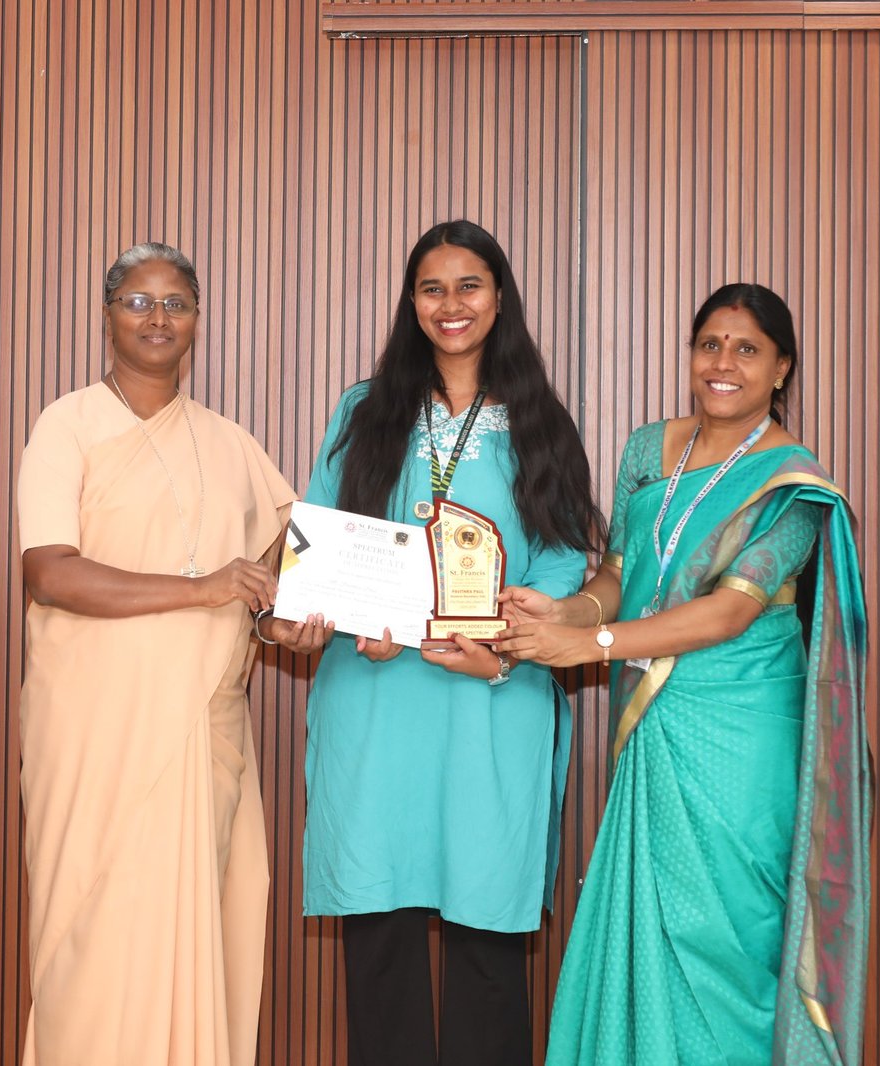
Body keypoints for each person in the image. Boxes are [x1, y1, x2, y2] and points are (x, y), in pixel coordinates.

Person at [498, 283, 872, 1065]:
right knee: (659, 928)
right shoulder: (648, 450)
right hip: (657, 719)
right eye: (710, 345)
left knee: (730, 936)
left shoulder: (792, 483)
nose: (723, 364)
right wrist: (565, 612)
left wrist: (591, 645)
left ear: (782, 368)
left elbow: (731, 611)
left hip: (743, 731)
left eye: (747, 349)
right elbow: (618, 570)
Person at [291, 220, 604, 1066]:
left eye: (469, 286)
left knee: (487, 936)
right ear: (412, 301)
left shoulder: (540, 420)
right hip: (376, 692)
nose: (450, 304)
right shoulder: (365, 409)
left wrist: (504, 646)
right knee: (380, 936)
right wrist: (350, 616)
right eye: (432, 288)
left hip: (492, 697)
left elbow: (563, 560)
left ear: (499, 298)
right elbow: (325, 537)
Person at [16, 242, 309, 1066]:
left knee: (193, 926)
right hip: (91, 731)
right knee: (88, 941)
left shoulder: (230, 443)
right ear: (107, 316)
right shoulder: (67, 425)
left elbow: (279, 576)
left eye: (175, 303)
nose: (157, 317)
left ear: (197, 322)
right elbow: (50, 573)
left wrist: (286, 623)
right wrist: (202, 588)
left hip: (200, 728)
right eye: (138, 301)